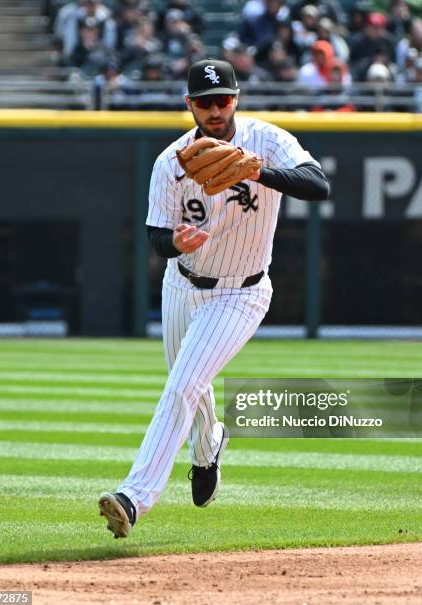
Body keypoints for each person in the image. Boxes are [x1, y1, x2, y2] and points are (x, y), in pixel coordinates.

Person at [98, 59, 330, 538]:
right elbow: (155, 236)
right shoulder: (172, 162)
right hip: (181, 284)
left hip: (240, 293)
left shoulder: (268, 141)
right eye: (205, 102)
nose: (216, 110)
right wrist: (175, 244)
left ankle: (134, 498)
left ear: (236, 98)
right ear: (190, 106)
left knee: (182, 383)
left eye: (223, 99)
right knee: (189, 382)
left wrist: (261, 172)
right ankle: (210, 446)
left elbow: (318, 185)